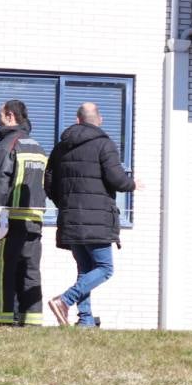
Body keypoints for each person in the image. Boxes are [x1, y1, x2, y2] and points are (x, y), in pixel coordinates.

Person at [45, 101, 137, 328]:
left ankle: (85, 319)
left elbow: (49, 182)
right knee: (105, 269)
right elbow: (116, 179)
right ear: (100, 120)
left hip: (70, 218)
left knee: (85, 269)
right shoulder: (104, 144)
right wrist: (133, 184)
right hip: (97, 220)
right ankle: (64, 300)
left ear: (78, 120)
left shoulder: (61, 147)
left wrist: (65, 204)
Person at [0, 100, 48, 325]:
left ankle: (0, 320)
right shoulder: (38, 148)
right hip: (34, 220)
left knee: (1, 270)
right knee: (31, 272)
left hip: (9, 220)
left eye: (0, 115)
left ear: (10, 116)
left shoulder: (8, 145)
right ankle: (32, 321)